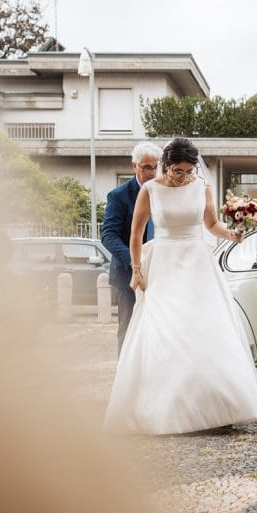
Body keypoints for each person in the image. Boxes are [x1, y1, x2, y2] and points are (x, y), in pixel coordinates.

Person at [103, 138, 257, 435]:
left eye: (189, 170)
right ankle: (170, 411)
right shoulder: (150, 190)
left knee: (207, 331)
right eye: (178, 171)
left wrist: (231, 235)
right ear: (166, 165)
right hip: (165, 264)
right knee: (168, 333)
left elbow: (210, 224)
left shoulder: (200, 187)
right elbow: (136, 233)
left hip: (198, 265)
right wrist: (138, 269)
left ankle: (218, 408)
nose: (184, 177)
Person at [101, 142, 162, 355]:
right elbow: (108, 235)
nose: (151, 172)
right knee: (128, 330)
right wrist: (136, 261)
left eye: (155, 167)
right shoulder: (118, 196)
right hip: (128, 276)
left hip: (161, 273)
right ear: (134, 166)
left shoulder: (165, 192)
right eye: (146, 167)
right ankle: (126, 381)